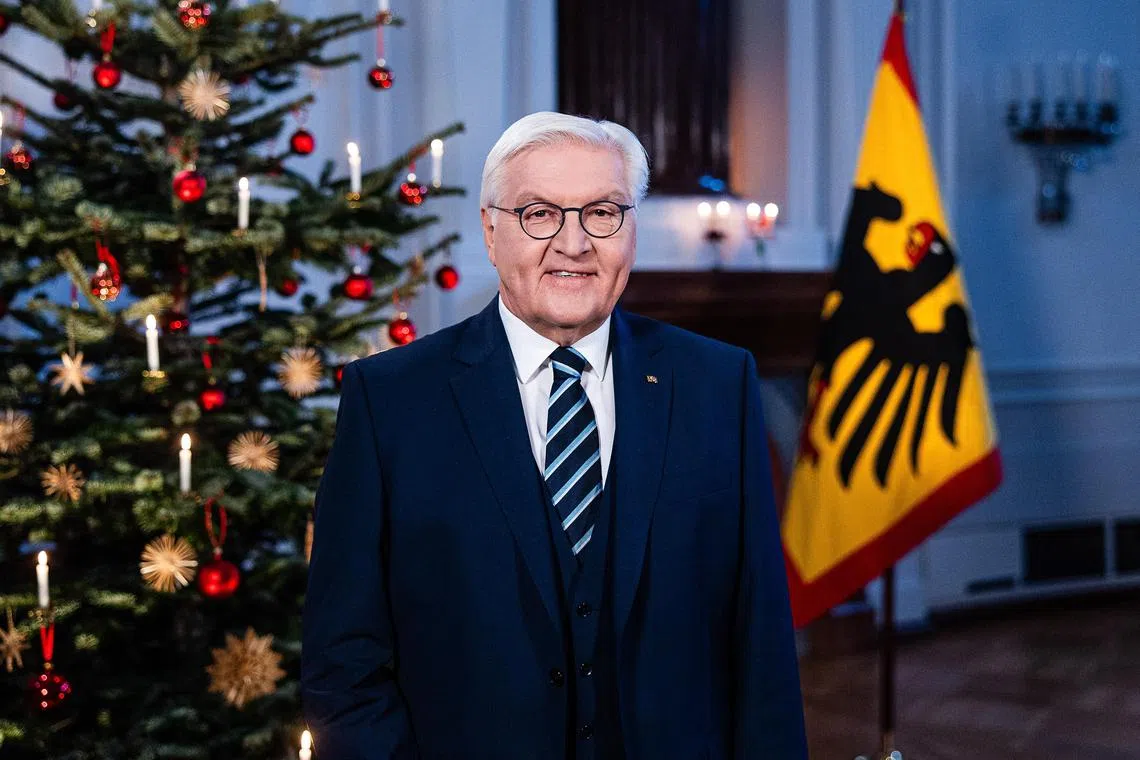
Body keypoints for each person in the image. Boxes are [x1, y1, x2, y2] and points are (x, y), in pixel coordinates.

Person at [302, 111, 807, 759]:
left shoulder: (718, 383)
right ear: (490, 231)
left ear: (631, 232)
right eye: (539, 213)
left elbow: (760, 638)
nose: (574, 243)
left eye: (602, 212)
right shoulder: (390, 399)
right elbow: (343, 657)